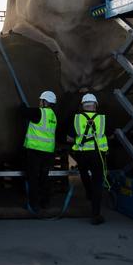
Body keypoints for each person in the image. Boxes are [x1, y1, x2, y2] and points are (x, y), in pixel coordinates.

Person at [67, 93, 109, 225]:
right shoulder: (102, 119)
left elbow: (69, 138)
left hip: (82, 154)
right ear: (95, 105)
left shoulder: (77, 118)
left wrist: (81, 138)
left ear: (83, 105)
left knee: (84, 173)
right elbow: (111, 134)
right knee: (97, 182)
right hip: (97, 155)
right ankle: (95, 214)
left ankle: (89, 193)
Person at [18, 90, 59, 214]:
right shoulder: (53, 115)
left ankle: (34, 204)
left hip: (35, 151)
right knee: (44, 178)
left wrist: (22, 105)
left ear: (45, 102)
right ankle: (45, 202)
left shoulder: (39, 112)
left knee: (33, 178)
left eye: (41, 100)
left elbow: (23, 112)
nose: (39, 102)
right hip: (48, 152)